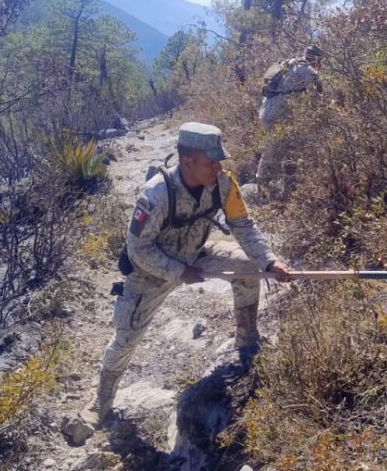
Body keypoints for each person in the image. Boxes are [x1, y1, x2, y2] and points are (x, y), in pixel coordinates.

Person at [72, 122, 291, 438]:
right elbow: (138, 249)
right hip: (150, 272)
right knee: (126, 339)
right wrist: (179, 272)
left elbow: (243, 226)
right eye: (210, 162)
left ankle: (247, 340)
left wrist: (269, 260)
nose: (218, 168)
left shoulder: (224, 183)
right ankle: (100, 402)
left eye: (219, 161)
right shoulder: (156, 194)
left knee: (247, 268)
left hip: (196, 254)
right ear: (187, 161)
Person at [255, 45, 325, 195]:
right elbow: (318, 89)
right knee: (291, 149)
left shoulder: (288, 64)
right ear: (315, 58)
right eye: (319, 61)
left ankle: (263, 187)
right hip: (280, 115)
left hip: (266, 112)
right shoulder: (306, 68)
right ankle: (287, 190)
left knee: (272, 149)